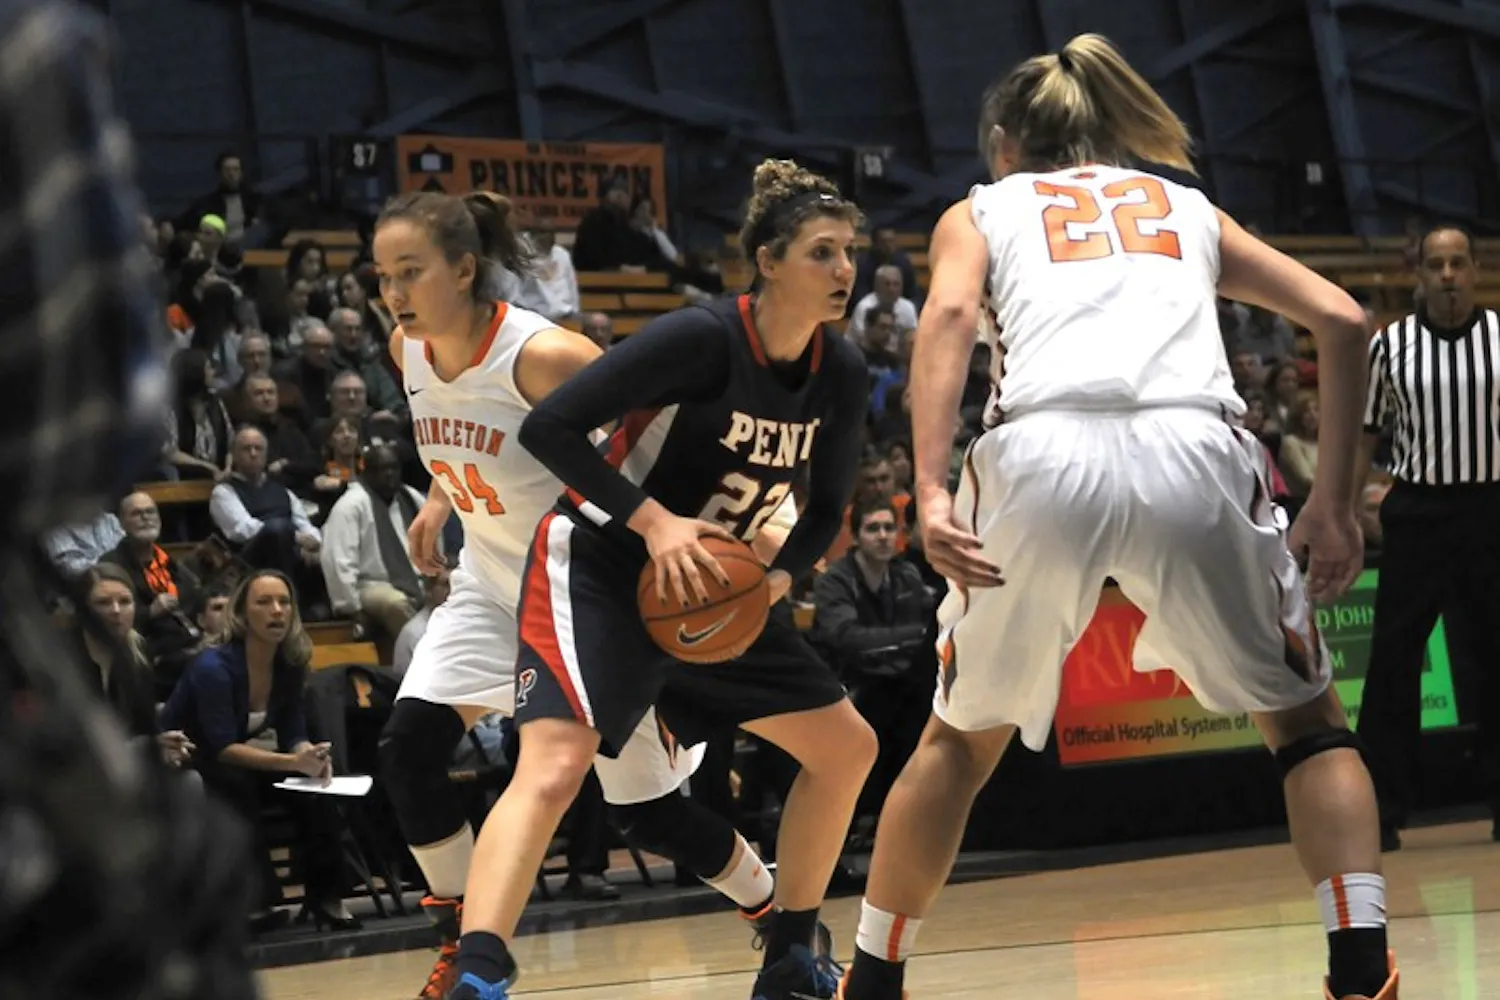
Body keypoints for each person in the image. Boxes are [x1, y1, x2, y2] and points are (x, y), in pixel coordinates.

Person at [838, 35, 1396, 1000]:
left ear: (1004, 145)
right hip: (1196, 448)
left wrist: (927, 490)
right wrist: (1335, 504)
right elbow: (1344, 320)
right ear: (1103, 133)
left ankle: (874, 982)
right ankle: (1361, 973)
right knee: (1309, 728)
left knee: (959, 741)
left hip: (1041, 451)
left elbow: (951, 319)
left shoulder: (982, 209)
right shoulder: (1185, 205)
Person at [369, 188, 817, 1000]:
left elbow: (670, 436)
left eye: (410, 272)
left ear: (463, 270)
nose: (393, 293)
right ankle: (464, 948)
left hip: (587, 598)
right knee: (409, 750)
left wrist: (747, 532)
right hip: (491, 588)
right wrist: (440, 495)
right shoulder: (409, 348)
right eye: (383, 276)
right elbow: (455, 427)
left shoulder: (544, 355)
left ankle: (775, 912)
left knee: (648, 815)